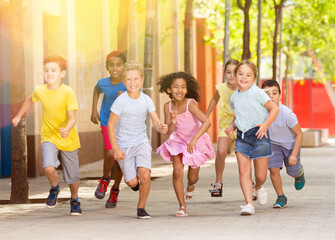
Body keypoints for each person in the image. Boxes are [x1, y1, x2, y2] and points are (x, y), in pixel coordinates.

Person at [12, 55, 82, 216]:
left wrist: (67, 128)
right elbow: (30, 100)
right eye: (46, 70)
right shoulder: (40, 90)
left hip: (68, 137)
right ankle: (55, 188)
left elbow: (73, 118)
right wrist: (19, 115)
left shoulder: (67, 91)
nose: (49, 73)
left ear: (62, 74)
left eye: (53, 70)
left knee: (72, 176)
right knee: (48, 166)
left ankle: (75, 199)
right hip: (48, 136)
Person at [107, 62, 168, 219]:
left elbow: (154, 119)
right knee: (132, 182)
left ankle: (141, 208)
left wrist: (160, 126)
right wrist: (115, 149)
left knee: (145, 175)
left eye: (135, 79)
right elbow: (110, 125)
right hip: (124, 146)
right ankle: (135, 184)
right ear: (124, 81)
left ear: (141, 80)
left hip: (141, 142)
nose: (132, 83)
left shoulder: (146, 99)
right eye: (128, 79)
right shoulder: (121, 101)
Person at [157, 72, 215, 217]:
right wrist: (173, 123)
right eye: (176, 87)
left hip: (194, 140)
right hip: (178, 141)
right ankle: (182, 206)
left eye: (183, 87)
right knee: (177, 171)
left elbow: (207, 122)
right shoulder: (167, 106)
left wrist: (195, 138)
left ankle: (190, 186)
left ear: (187, 89)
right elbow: (169, 131)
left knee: (193, 177)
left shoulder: (190, 104)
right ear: (169, 89)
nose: (179, 90)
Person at [225, 60, 279, 216]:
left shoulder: (257, 92)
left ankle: (259, 186)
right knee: (243, 171)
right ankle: (249, 204)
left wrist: (265, 125)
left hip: (259, 134)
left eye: (248, 75)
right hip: (242, 136)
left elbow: (274, 109)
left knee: (260, 176)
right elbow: (240, 115)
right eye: (240, 74)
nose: (243, 77)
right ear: (235, 76)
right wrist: (232, 126)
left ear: (254, 78)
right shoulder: (234, 97)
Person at [91, 51, 127, 208]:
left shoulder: (128, 84)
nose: (115, 68)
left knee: (119, 161)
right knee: (111, 152)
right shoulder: (102, 83)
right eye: (111, 65)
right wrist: (94, 110)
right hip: (107, 122)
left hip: (123, 125)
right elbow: (96, 90)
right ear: (107, 67)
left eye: (119, 65)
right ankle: (105, 179)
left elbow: (138, 100)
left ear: (123, 67)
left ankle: (115, 191)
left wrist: (125, 96)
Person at [262, 80, 305, 208]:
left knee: (292, 171)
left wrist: (294, 154)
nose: (270, 96)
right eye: (267, 93)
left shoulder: (287, 114)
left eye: (274, 93)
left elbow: (299, 134)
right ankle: (281, 196)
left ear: (280, 95)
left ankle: (299, 173)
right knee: (273, 169)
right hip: (273, 144)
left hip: (290, 144)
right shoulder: (260, 112)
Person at [206, 59, 239, 197]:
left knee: (244, 156)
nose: (231, 76)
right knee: (220, 152)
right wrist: (206, 115)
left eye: (235, 72)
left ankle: (251, 183)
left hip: (242, 124)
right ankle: (218, 182)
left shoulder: (244, 87)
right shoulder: (222, 88)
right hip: (226, 124)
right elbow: (214, 99)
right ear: (224, 73)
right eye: (228, 72)